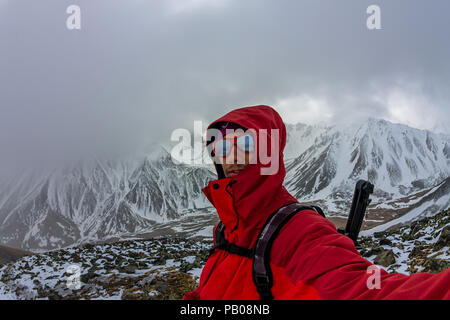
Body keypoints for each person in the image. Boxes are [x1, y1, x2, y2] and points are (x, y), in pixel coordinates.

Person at [182, 105, 450, 300]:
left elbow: (362, 291)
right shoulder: (227, 229)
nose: (232, 158)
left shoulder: (300, 231)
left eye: (246, 144)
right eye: (222, 149)